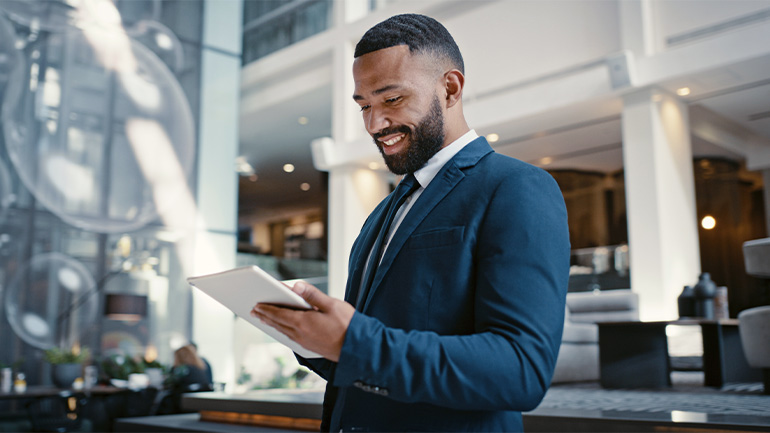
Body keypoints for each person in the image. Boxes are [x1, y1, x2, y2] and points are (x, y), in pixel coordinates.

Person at [252, 13, 570, 432]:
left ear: (450, 88)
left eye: (392, 100)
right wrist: (311, 338)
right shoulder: (383, 214)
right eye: (364, 105)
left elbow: (520, 370)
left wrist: (353, 342)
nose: (373, 123)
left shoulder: (516, 188)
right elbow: (367, 367)